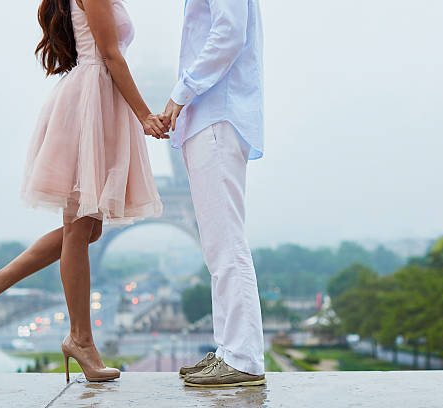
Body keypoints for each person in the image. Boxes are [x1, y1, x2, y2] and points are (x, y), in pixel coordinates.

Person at [0, 0, 166, 383]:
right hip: (90, 106)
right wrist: (144, 114)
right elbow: (111, 55)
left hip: (98, 104)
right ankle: (80, 338)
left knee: (86, 229)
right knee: (80, 230)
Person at [161, 0, 266, 387]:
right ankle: (230, 351)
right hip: (209, 116)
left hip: (215, 115)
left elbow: (228, 33)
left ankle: (244, 358)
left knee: (226, 244)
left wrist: (180, 92)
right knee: (218, 247)